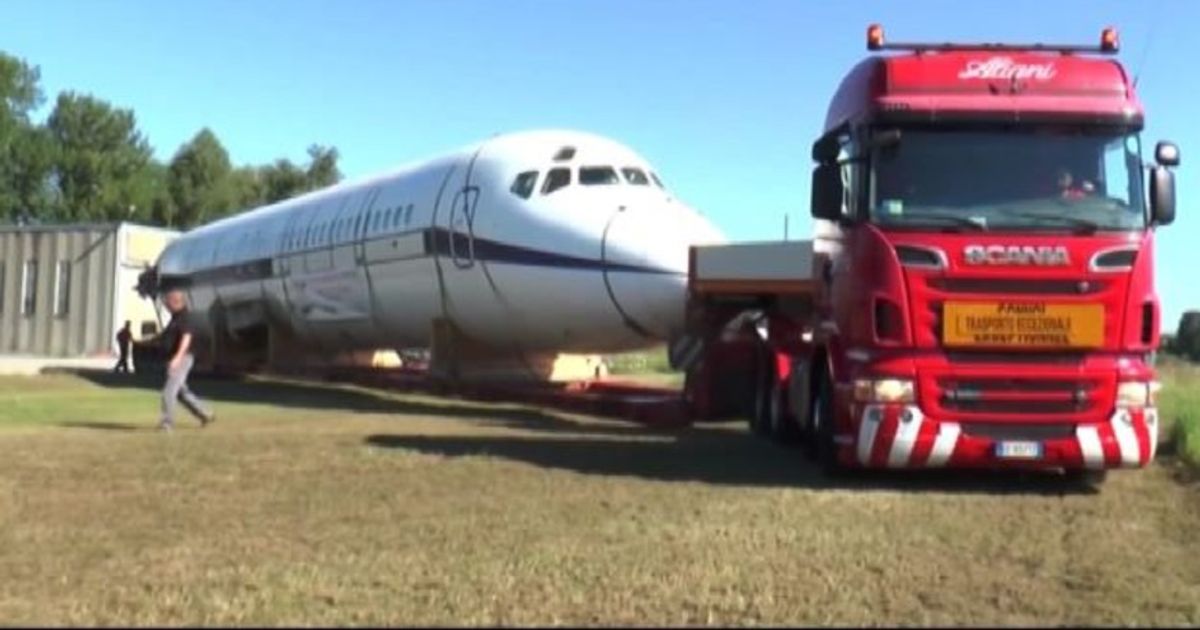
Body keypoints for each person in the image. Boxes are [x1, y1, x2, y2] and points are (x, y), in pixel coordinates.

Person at [158, 289, 215, 432]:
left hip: (182, 358)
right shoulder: (175, 317)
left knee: (169, 391)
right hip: (174, 358)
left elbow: (186, 339)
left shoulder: (185, 317)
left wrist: (177, 358)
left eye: (167, 302)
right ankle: (206, 414)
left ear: (176, 302)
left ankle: (167, 423)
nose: (165, 305)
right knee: (182, 393)